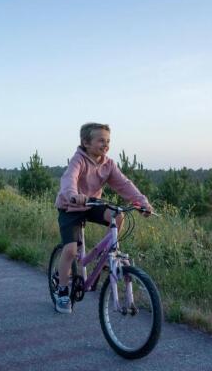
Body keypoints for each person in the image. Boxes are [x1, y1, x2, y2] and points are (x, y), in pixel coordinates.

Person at [54, 123, 153, 314]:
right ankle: (63, 291)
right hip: (70, 206)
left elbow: (124, 185)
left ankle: (106, 257)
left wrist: (142, 203)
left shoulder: (108, 164)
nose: (105, 144)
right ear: (85, 142)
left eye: (108, 141)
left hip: (92, 205)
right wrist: (73, 195)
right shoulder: (79, 160)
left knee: (118, 214)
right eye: (100, 140)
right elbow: (69, 180)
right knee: (71, 250)